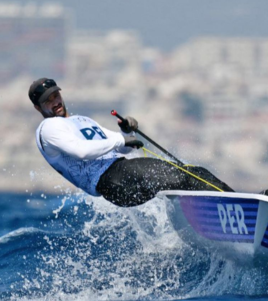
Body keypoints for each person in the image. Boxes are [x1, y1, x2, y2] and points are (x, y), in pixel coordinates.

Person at [29, 77, 233, 207]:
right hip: (111, 178)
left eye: (56, 95)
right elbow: (81, 151)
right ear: (38, 108)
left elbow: (121, 147)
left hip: (120, 180)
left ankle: (229, 204)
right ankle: (234, 205)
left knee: (194, 173)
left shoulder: (81, 120)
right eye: (48, 100)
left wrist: (124, 131)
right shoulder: (49, 128)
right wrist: (120, 139)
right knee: (183, 176)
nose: (55, 102)